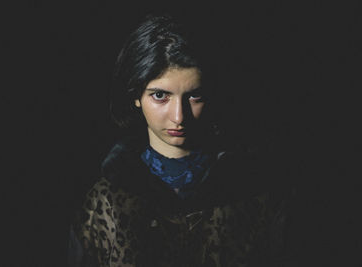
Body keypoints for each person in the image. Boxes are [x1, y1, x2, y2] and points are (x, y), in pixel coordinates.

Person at [69, 13, 289, 267]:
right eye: (160, 95)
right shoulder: (102, 202)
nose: (179, 116)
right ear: (136, 96)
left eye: (195, 96)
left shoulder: (258, 192)